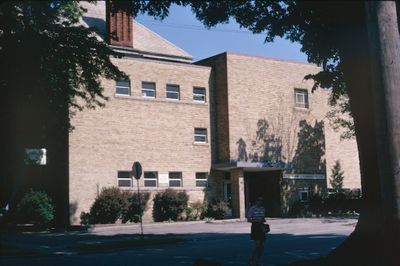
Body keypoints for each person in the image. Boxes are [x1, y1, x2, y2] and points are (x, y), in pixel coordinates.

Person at [247, 196, 267, 266]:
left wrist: (263, 221)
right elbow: (249, 219)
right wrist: (256, 221)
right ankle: (251, 258)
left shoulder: (263, 209)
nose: (260, 202)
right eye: (258, 200)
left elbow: (263, 218)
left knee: (262, 246)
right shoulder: (252, 209)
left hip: (261, 227)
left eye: (261, 201)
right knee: (258, 245)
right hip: (255, 226)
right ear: (255, 201)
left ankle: (258, 261)